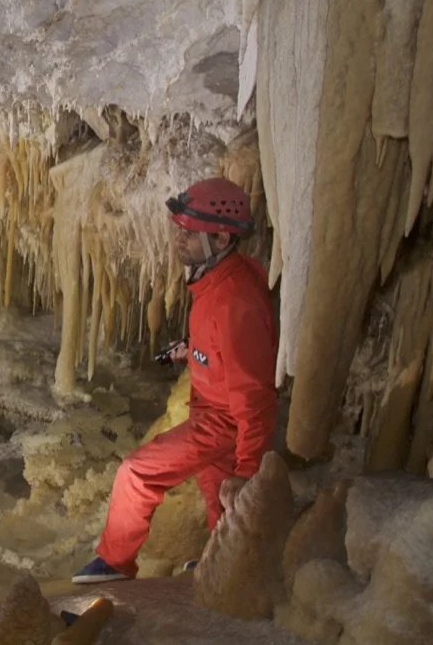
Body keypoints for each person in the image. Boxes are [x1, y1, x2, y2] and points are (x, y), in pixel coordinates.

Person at [72, 177, 278, 584]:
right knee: (221, 497)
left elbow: (256, 397)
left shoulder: (235, 301)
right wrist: (194, 348)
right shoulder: (220, 276)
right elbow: (227, 347)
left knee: (137, 472)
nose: (177, 240)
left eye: (189, 232)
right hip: (212, 406)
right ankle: (228, 564)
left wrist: (249, 469)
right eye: (179, 230)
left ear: (221, 238)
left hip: (223, 419)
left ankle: (114, 564)